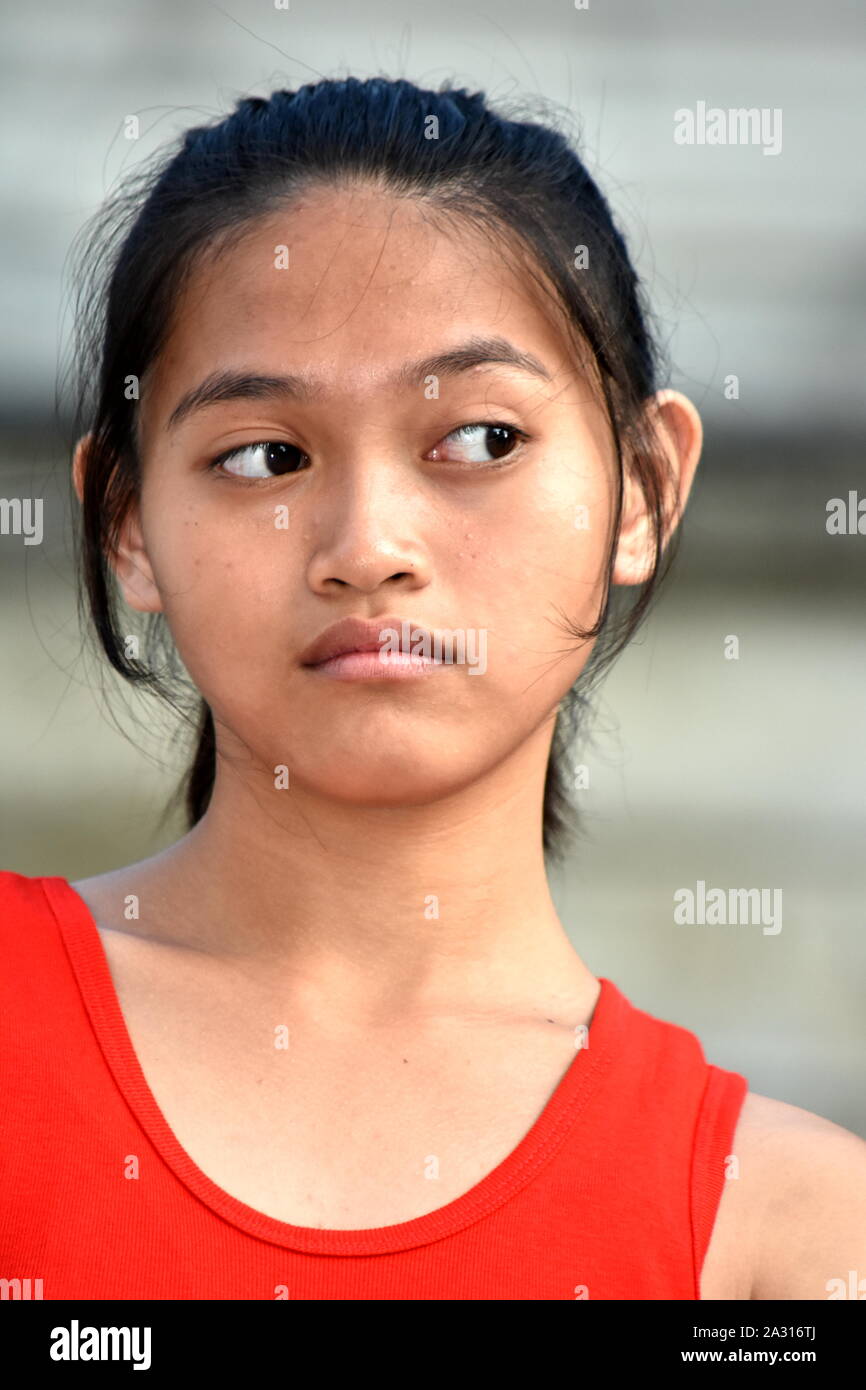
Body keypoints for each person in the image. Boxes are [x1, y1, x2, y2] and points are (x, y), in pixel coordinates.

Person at [2, 77, 864, 1302]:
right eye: (264, 455)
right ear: (127, 524)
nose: (367, 543)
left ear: (643, 489)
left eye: (479, 440)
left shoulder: (784, 1235)